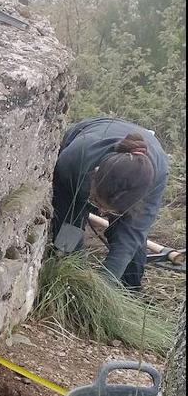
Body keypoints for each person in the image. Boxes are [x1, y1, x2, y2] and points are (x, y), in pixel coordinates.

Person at [50, 117, 169, 290]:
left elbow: (131, 236)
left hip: (146, 160)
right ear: (95, 175)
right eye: (96, 202)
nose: (100, 212)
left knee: (132, 243)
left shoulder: (155, 179)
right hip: (89, 142)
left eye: (110, 211)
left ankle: (130, 291)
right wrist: (78, 276)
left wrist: (105, 287)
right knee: (67, 239)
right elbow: (68, 220)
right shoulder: (74, 160)